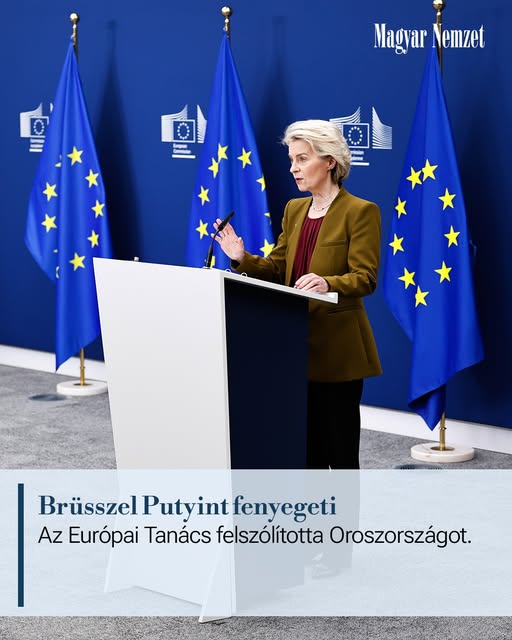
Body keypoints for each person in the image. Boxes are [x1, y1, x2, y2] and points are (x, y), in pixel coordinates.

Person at [212, 119, 382, 470]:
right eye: (291, 160)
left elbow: (365, 278)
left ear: (330, 161)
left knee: (340, 456)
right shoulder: (294, 209)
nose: (293, 168)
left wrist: (327, 283)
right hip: (292, 347)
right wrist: (241, 258)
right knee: (305, 454)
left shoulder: (361, 211)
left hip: (337, 352)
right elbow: (278, 269)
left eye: (302, 159)